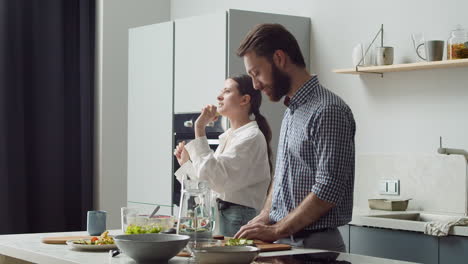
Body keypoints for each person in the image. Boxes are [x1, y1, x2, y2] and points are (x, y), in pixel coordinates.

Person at [234, 24, 356, 252]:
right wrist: (265, 216)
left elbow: (328, 189)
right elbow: (281, 178)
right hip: (285, 241)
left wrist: (275, 230)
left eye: (256, 73)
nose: (255, 85)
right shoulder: (292, 110)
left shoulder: (328, 110)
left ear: (279, 58)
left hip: (314, 245)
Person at [173, 74, 273, 237]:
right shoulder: (230, 136)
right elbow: (208, 183)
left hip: (236, 217)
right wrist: (185, 165)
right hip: (222, 215)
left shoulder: (251, 137)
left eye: (226, 91)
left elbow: (216, 181)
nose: (219, 96)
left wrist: (200, 129)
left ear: (244, 100)